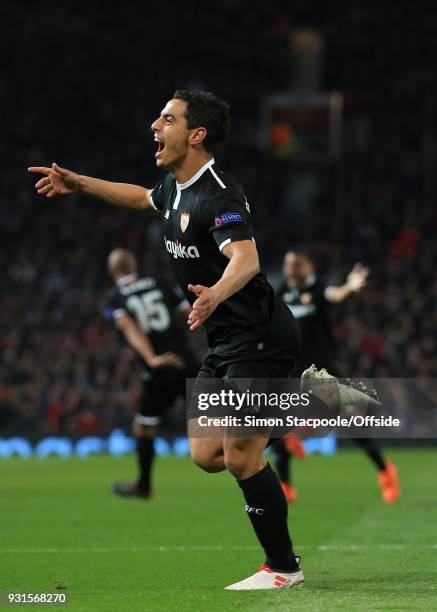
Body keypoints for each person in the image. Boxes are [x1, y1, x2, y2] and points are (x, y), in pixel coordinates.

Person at [28, 90, 305, 590]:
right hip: (224, 342)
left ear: (196, 134)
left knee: (242, 457)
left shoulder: (218, 193)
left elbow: (246, 258)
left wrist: (215, 294)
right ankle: (297, 412)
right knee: (205, 456)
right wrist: (79, 183)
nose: (155, 125)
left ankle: (283, 568)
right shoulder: (175, 188)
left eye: (168, 118)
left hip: (259, 338)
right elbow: (140, 197)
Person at [275, 249, 401, 504]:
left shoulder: (318, 287)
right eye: (287, 263)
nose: (290, 267)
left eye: (296, 263)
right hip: (291, 369)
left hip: (322, 372)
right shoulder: (282, 293)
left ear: (308, 266)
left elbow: (336, 294)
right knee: (273, 421)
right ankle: (286, 485)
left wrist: (350, 287)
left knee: (353, 424)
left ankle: (385, 470)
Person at [104, 247, 198, 499]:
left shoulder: (115, 296)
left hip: (160, 368)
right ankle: (273, 437)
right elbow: (191, 315)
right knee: (221, 421)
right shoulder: (160, 283)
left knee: (144, 425)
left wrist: (151, 358)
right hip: (187, 361)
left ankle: (144, 486)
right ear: (134, 265)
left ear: (111, 271)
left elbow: (128, 326)